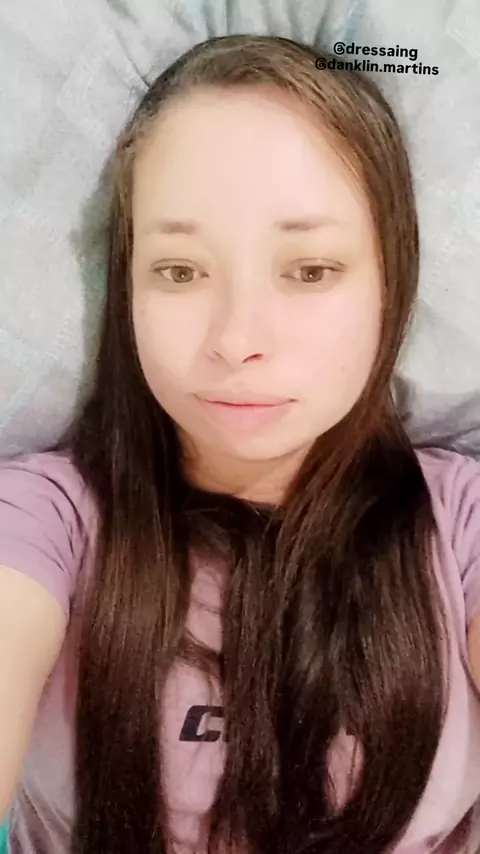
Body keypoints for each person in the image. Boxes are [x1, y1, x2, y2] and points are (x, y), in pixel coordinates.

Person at [1, 32, 480, 854]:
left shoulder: (459, 525)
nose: (237, 340)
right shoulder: (45, 521)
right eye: (181, 271)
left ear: (389, 284)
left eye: (309, 270)